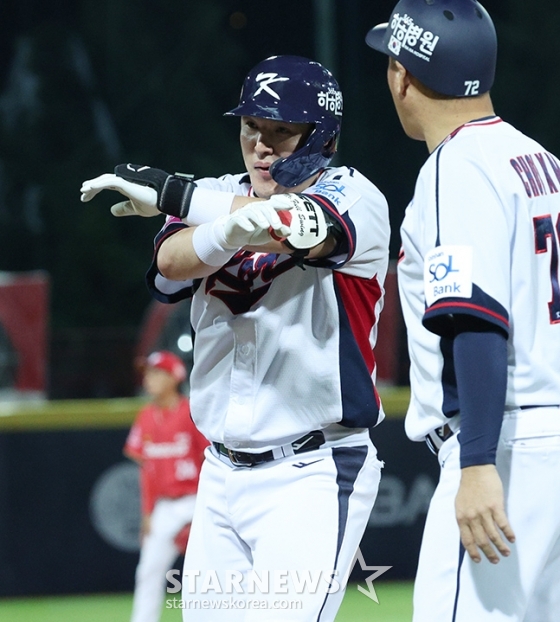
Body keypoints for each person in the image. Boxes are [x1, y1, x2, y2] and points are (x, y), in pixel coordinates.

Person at [81, 55, 391, 621]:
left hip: (314, 469)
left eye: (282, 131)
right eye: (252, 126)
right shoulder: (216, 194)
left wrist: (180, 196)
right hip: (221, 472)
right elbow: (168, 265)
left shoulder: (357, 196)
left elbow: (298, 226)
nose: (262, 145)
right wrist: (222, 226)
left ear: (322, 136)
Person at [365, 1, 560, 621]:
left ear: (402, 74)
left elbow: (475, 318)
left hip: (503, 444)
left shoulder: (457, 165)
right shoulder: (541, 162)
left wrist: (476, 463)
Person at [124, 350, 208, 622]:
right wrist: (147, 513)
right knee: (148, 571)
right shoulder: (146, 416)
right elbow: (146, 472)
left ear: (175, 377)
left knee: (210, 573)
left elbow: (210, 462)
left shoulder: (192, 412)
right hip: (164, 507)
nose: (148, 379)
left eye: (156, 373)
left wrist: (209, 509)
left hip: (196, 501)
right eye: (147, 373)